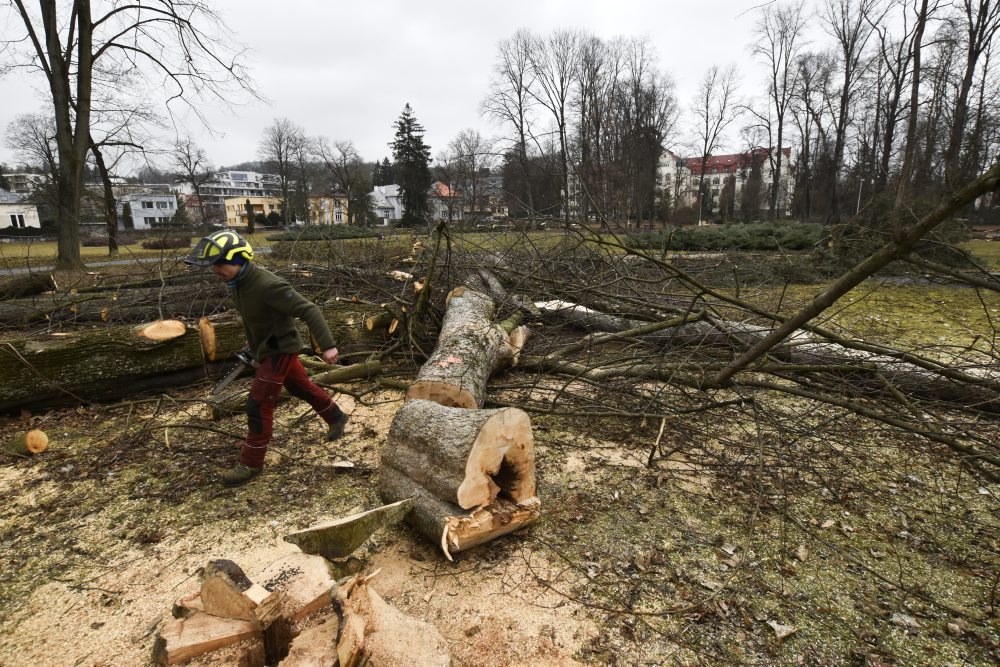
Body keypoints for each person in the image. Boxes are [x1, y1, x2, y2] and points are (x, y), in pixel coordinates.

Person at [185, 230, 349, 486]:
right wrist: (253, 342)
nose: (215, 270)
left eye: (219, 264)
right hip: (267, 347)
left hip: (281, 348)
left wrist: (327, 346)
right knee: (299, 386)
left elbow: (309, 309)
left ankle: (251, 463)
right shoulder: (238, 284)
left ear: (238, 258)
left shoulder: (268, 285)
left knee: (258, 403)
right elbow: (256, 318)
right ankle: (336, 416)